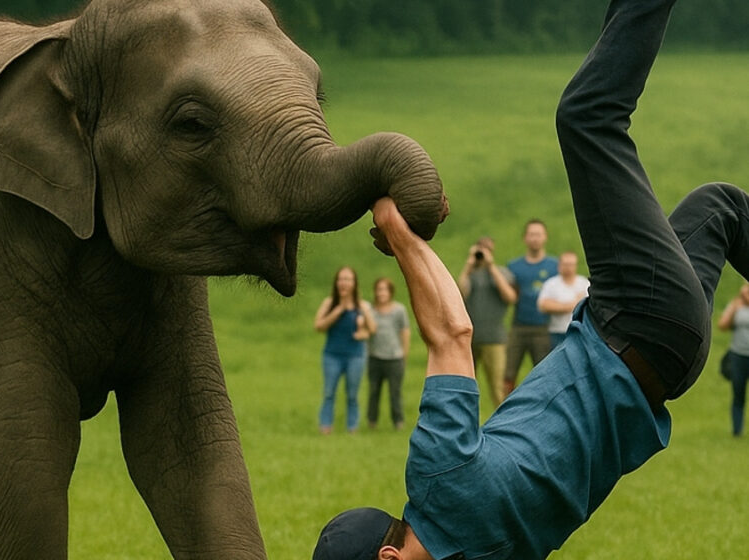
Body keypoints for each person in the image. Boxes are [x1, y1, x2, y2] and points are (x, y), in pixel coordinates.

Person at [312, 1, 749, 558]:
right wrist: (398, 230)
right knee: (586, 117)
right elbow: (451, 333)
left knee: (721, 210)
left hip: (673, 364)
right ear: (389, 555)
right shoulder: (438, 487)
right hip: (635, 322)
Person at [314, 266, 377, 434]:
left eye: (348, 279)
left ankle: (352, 427)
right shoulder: (329, 303)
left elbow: (372, 329)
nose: (344, 283)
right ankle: (325, 425)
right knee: (328, 392)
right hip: (332, 355)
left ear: (354, 283)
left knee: (352, 394)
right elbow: (319, 326)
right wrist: (338, 310)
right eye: (341, 279)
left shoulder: (362, 306)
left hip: (355, 356)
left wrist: (362, 333)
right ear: (336, 283)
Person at [457, 237, 517, 407]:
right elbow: (459, 295)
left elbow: (510, 296)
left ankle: (503, 421)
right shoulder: (470, 275)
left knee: (498, 386)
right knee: (466, 384)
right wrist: (468, 266)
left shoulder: (502, 272)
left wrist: (491, 267)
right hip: (470, 339)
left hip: (495, 339)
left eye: (487, 249)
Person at [504, 220, 558, 394]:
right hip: (518, 327)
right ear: (525, 238)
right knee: (508, 373)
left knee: (544, 373)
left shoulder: (554, 267)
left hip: (543, 327)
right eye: (531, 234)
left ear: (545, 237)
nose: (535, 239)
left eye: (538, 234)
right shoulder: (514, 267)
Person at [366, 278, 411, 430]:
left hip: (394, 358)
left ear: (390, 292)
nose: (381, 293)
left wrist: (404, 355)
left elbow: (405, 332)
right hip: (375, 357)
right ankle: (372, 421)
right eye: (379, 289)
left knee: (395, 392)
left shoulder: (399, 310)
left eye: (384, 289)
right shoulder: (370, 311)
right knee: (373, 391)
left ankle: (398, 421)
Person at [537, 251, 590, 348]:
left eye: (571, 264)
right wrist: (574, 304)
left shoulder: (584, 284)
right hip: (557, 332)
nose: (568, 267)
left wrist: (557, 304)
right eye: (565, 264)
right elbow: (543, 306)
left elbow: (590, 306)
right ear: (559, 265)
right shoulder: (551, 284)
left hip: (579, 332)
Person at [717, 283, 749, 436]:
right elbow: (722, 325)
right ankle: (737, 430)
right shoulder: (736, 305)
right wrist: (734, 308)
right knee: (738, 392)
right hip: (738, 355)